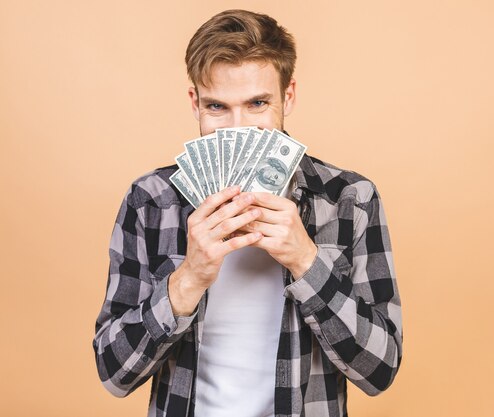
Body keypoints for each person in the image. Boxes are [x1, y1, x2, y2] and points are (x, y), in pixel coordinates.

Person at [93, 9, 402, 417]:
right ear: (195, 103)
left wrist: (305, 260)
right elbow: (114, 374)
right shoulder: (151, 201)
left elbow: (379, 371)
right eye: (217, 107)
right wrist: (188, 280)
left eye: (258, 103)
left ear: (288, 96)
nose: (239, 129)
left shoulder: (350, 199)